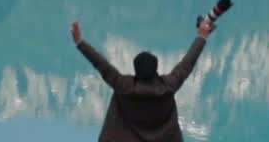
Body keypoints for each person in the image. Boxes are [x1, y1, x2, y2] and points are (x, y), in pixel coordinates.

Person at [71, 17, 214, 142]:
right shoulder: (168, 85)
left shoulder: (123, 85)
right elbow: (187, 63)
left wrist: (80, 42)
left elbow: (100, 63)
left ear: (136, 70)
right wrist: (201, 37)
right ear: (156, 69)